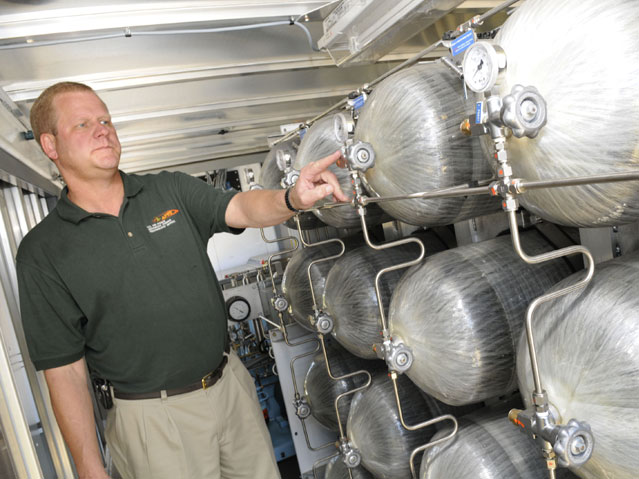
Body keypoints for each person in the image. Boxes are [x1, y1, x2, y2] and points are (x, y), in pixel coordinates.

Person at [16, 81, 348, 479]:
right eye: (83, 124)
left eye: (105, 119)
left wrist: (290, 198)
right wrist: (88, 467)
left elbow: (240, 207)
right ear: (50, 146)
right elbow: (64, 371)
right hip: (152, 419)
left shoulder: (166, 189)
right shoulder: (43, 250)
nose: (103, 129)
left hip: (229, 388)